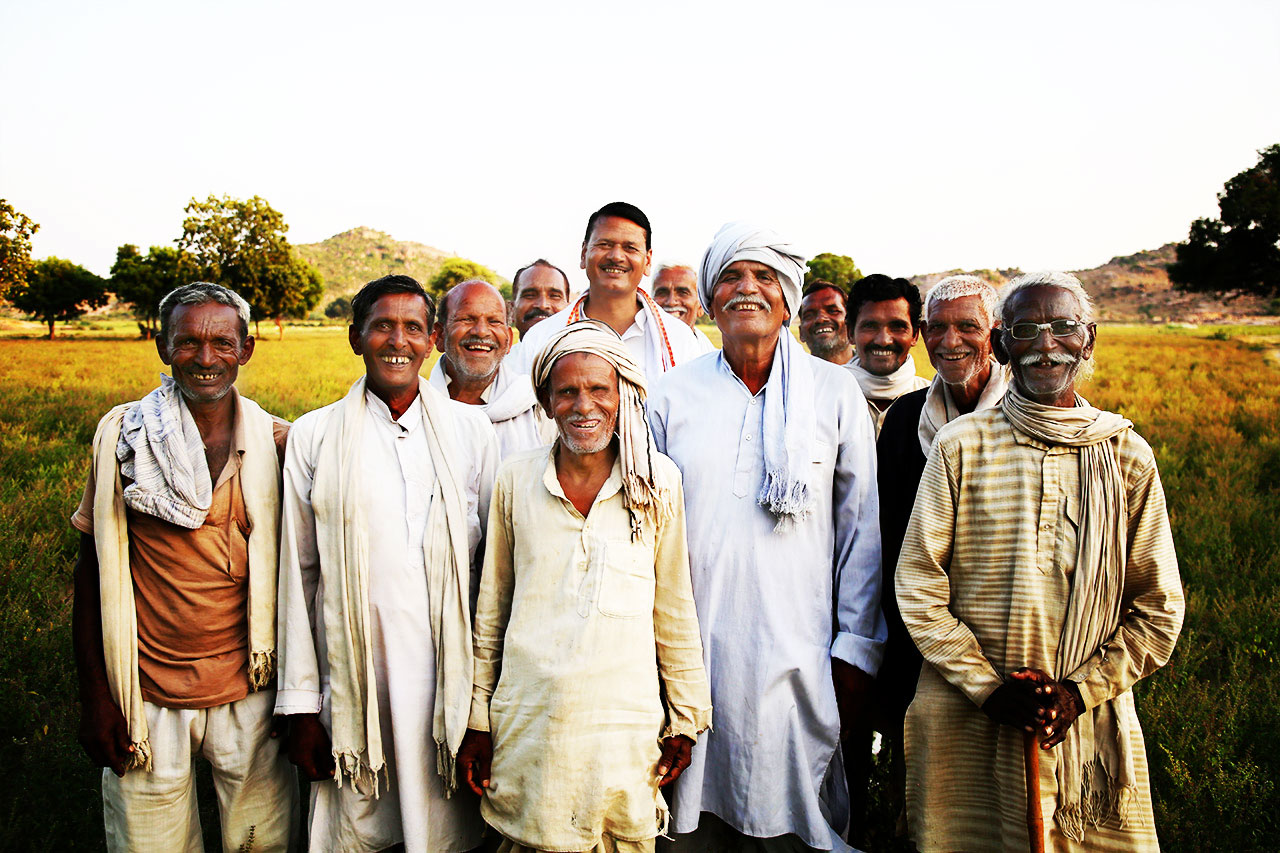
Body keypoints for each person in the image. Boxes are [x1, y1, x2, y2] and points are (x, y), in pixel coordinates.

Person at [896, 272, 1185, 852]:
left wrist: (1077, 694)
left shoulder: (1126, 453)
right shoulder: (961, 445)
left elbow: (1159, 607)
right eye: (1026, 330)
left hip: (1088, 718)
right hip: (968, 716)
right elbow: (918, 586)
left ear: (1089, 340)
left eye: (1063, 328)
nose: (1046, 344)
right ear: (1003, 346)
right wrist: (989, 690)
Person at [649, 223, 885, 852]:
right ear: (708, 299)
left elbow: (861, 530)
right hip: (694, 646)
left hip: (802, 645)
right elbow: (649, 526)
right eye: (730, 277)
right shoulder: (671, 394)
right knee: (695, 811)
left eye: (762, 278)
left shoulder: (834, 393)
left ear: (787, 301)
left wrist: (856, 648)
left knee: (796, 815)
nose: (745, 289)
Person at [458, 320, 712, 853]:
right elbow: (492, 611)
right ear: (546, 403)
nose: (584, 405)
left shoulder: (657, 482)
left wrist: (686, 719)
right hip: (530, 723)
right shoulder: (515, 479)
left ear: (622, 395)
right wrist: (478, 718)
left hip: (623, 726)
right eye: (567, 391)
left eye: (599, 389)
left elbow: (674, 607)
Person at [275, 274, 499, 852]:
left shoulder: (472, 432)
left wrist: (484, 707)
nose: (397, 340)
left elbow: (492, 574)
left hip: (446, 683)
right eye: (382, 326)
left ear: (433, 342)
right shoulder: (315, 435)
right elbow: (298, 576)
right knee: (360, 828)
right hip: (353, 680)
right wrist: (301, 708)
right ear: (356, 337)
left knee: (446, 832)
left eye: (413, 328)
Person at [71, 282, 296, 851]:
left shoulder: (277, 445)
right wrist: (98, 698)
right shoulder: (125, 439)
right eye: (188, 342)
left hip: (250, 688)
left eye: (222, 342)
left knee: (258, 840)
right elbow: (92, 574)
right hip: (145, 690)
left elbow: (305, 579)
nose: (205, 358)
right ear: (161, 346)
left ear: (246, 350)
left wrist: (301, 699)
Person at [845, 274, 1008, 842]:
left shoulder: (1025, 411)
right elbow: (887, 536)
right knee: (924, 783)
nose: (949, 340)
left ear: (996, 333)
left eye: (967, 326)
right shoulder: (907, 420)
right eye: (937, 327)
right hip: (919, 625)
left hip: (1003, 628)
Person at [510, 202, 704, 380]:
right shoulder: (542, 339)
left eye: (630, 248)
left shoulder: (680, 341)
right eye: (604, 245)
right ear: (584, 253)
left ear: (648, 260)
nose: (616, 256)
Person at [430, 278, 555, 460]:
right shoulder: (416, 408)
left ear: (509, 341)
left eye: (494, 321)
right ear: (440, 336)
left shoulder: (539, 408)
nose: (481, 331)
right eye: (466, 319)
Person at [845, 274, 929, 436]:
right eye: (870, 326)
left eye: (897, 327)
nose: (883, 340)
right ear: (850, 333)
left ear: (915, 335)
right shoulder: (822, 395)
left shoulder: (934, 400)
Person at [652, 262, 716, 352]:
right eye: (662, 293)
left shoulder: (713, 360)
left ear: (700, 306)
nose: (671, 302)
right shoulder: (632, 351)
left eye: (683, 293)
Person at [510, 259, 571, 339]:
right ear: (512, 310)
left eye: (554, 296)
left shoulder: (589, 349)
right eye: (530, 295)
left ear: (570, 310)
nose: (542, 305)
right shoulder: (498, 352)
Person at [797, 280, 852, 364]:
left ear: (851, 324)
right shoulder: (791, 375)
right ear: (801, 333)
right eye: (809, 315)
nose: (820, 319)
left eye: (833, 311)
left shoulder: (876, 373)